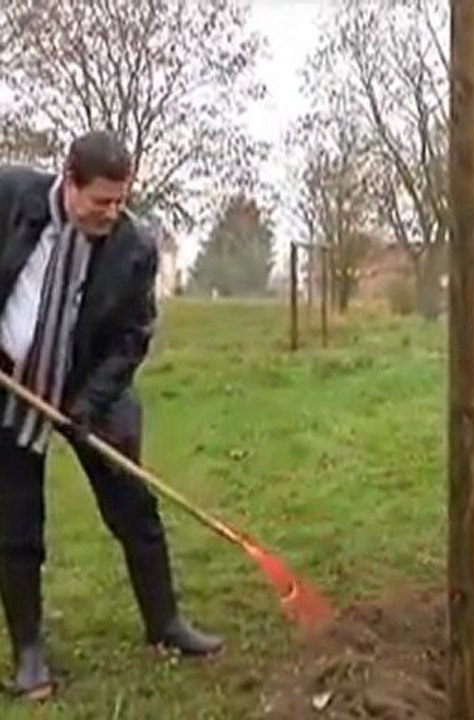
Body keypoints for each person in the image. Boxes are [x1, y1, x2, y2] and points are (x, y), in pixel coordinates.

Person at [0, 131, 222, 701]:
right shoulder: (11, 197)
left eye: (121, 199)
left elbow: (131, 337)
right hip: (11, 382)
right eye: (102, 200)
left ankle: (166, 622)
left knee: (134, 507)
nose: (112, 211)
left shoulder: (134, 247)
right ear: (69, 181)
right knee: (16, 519)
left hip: (91, 384)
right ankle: (29, 653)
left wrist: (88, 406)